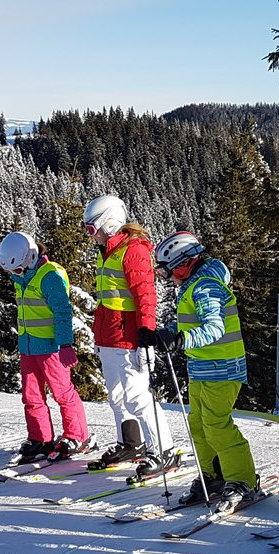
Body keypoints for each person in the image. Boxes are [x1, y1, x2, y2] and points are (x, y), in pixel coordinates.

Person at [152, 231, 258, 510]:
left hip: (222, 367)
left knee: (216, 425)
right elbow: (190, 323)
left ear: (184, 262)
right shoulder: (194, 284)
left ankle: (242, 480)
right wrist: (163, 335)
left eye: (168, 270)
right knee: (199, 425)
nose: (168, 277)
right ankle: (213, 476)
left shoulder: (207, 287)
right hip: (201, 367)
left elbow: (214, 328)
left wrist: (181, 340)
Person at [82, 195, 174, 473]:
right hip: (108, 334)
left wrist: (146, 334)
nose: (90, 236)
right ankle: (130, 442)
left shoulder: (133, 250)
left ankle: (164, 450)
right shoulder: (108, 250)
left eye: (91, 229)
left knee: (137, 397)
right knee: (117, 396)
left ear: (108, 224)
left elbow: (145, 295)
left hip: (129, 335)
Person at [0, 231, 96, 463]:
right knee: (31, 395)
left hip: (52, 348)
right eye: (12, 272)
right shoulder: (23, 276)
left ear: (30, 257)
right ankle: (40, 438)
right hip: (28, 346)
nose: (15, 275)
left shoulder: (49, 276)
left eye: (18, 270)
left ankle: (77, 436)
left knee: (62, 392)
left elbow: (63, 311)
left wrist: (66, 344)